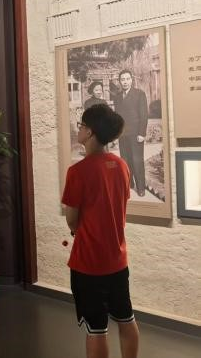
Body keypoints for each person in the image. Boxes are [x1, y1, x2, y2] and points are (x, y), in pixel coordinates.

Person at [62, 104, 139, 358]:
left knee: (96, 329)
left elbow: (72, 220)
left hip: (88, 263)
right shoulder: (122, 166)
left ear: (90, 132)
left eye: (81, 125)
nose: (79, 129)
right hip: (117, 260)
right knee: (126, 318)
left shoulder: (77, 172)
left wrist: (78, 229)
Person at [112, 69, 148, 197]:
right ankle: (129, 184)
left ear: (131, 80)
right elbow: (117, 117)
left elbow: (144, 115)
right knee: (125, 160)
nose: (125, 82)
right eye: (122, 79)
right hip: (123, 134)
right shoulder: (117, 97)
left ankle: (141, 187)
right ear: (119, 81)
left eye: (127, 79)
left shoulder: (139, 94)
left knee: (137, 160)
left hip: (136, 134)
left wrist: (142, 133)